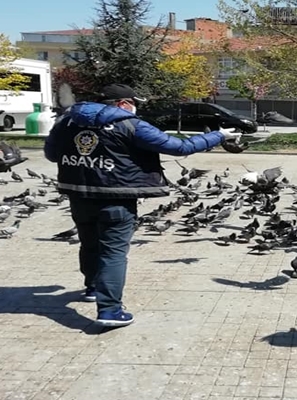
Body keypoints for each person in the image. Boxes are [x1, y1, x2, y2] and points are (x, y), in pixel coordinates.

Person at [44, 83, 241, 328]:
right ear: (123, 104)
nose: (135, 108)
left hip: (78, 195)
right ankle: (110, 310)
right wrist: (219, 135)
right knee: (113, 252)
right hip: (116, 198)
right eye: (134, 103)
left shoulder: (66, 122)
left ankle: (92, 288)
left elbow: (51, 155)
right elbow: (179, 147)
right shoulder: (130, 124)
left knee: (89, 244)